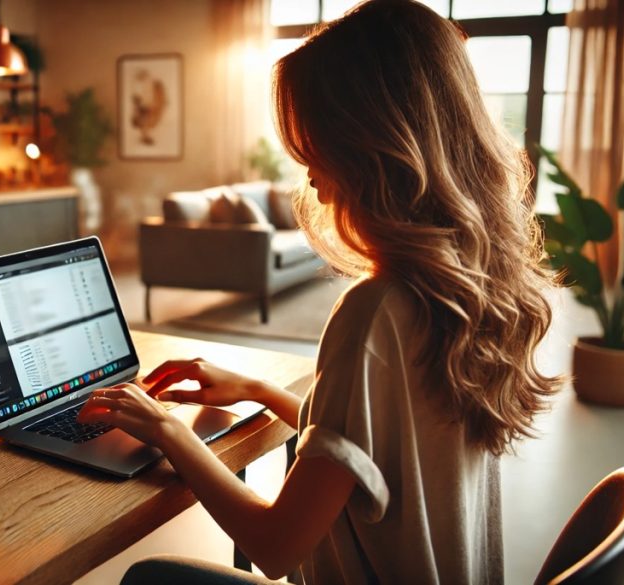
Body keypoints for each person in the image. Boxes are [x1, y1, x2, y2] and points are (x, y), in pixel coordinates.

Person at [78, 0, 561, 582]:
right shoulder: (465, 286)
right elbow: (372, 459)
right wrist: (257, 389)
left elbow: (276, 547)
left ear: (373, 149)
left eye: (317, 150)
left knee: (150, 576)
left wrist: (167, 430)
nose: (310, 178)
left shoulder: (375, 312)